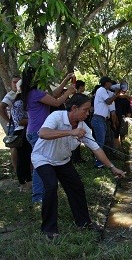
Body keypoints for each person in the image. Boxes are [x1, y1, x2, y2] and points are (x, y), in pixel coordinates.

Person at [31, 93, 125, 239]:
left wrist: (112, 167)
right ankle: (49, 228)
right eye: (85, 110)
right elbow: (43, 133)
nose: (88, 114)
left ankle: (83, 223)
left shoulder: (83, 128)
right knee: (50, 186)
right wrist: (70, 132)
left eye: (89, 110)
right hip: (43, 158)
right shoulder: (57, 116)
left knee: (77, 186)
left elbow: (96, 149)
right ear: (74, 108)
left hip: (62, 160)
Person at [20, 67, 76, 203]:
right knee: (41, 164)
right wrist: (68, 91)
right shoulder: (35, 93)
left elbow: (54, 95)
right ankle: (38, 196)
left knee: (40, 162)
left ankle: (40, 193)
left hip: (34, 132)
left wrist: (65, 81)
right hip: (38, 133)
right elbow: (56, 102)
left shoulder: (33, 92)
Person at [91, 76, 120, 168]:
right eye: (110, 83)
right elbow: (108, 102)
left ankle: (101, 161)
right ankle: (98, 163)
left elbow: (111, 100)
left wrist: (117, 93)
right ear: (106, 83)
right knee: (100, 141)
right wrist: (116, 93)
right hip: (98, 119)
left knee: (102, 141)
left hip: (101, 120)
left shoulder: (106, 92)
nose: (111, 84)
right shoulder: (101, 90)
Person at [10, 90, 32, 192]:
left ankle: (28, 181)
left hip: (23, 132)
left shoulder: (20, 102)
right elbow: (19, 121)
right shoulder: (20, 103)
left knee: (25, 159)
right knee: (22, 160)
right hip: (21, 133)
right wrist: (34, 119)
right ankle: (23, 184)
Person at [0, 75, 20, 174]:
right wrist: (9, 121)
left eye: (18, 82)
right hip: (13, 126)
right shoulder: (11, 95)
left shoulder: (22, 94)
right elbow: (1, 108)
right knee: (14, 148)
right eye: (14, 82)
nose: (16, 84)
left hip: (23, 125)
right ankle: (16, 171)